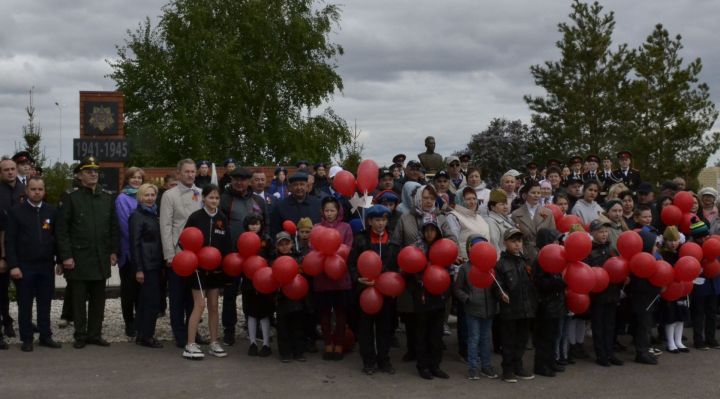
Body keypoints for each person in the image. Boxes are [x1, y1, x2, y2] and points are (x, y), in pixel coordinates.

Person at [56, 156, 118, 349]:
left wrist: (113, 250)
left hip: (100, 256)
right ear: (80, 175)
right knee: (79, 299)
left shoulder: (107, 197)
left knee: (99, 299)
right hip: (79, 257)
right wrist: (65, 256)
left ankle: (95, 334)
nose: (93, 174)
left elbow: (113, 227)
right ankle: (80, 335)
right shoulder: (71, 196)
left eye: (96, 171)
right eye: (88, 171)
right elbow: (62, 229)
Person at [4, 177, 62, 351]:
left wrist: (59, 260)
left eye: (40, 189)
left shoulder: (51, 211)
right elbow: (10, 241)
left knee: (45, 302)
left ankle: (45, 336)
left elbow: (57, 238)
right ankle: (27, 338)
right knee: (25, 304)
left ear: (44, 191)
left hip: (45, 265)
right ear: (27, 191)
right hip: (24, 266)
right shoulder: (16, 212)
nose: (37, 192)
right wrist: (13, 265)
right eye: (33, 189)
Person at [219, 167, 268, 345]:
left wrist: (262, 249)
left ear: (249, 181)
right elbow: (220, 228)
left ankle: (252, 327)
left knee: (252, 293)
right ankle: (229, 330)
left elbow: (266, 226)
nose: (239, 182)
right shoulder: (224, 199)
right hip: (232, 256)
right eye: (236, 179)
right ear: (231, 180)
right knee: (230, 295)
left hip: (254, 258)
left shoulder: (258, 201)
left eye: (243, 179)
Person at [348, 205, 399, 375]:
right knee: (366, 329)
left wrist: (392, 282)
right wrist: (358, 279)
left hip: (386, 293)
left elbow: (398, 266)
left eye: (384, 220)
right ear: (369, 221)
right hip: (365, 292)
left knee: (385, 328)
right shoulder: (361, 239)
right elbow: (351, 263)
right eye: (377, 220)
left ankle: (384, 360)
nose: (380, 224)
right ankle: (368, 361)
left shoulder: (393, 240)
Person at [182, 184, 232, 360]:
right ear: (203, 198)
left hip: (216, 268)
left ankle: (213, 342)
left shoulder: (222, 218)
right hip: (197, 268)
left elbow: (227, 243)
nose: (214, 201)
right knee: (200, 304)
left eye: (217, 198)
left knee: (213, 306)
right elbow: (184, 241)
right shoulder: (195, 217)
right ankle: (190, 344)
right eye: (211, 197)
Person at [160, 159, 203, 348]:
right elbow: (166, 226)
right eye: (187, 172)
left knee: (193, 297)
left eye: (193, 172)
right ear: (179, 173)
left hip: (197, 255)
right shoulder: (169, 195)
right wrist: (169, 255)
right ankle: (179, 333)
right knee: (177, 297)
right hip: (178, 255)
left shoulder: (201, 194)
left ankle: (193, 330)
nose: (190, 175)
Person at [407, 220, 450, 379]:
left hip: (439, 295)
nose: (429, 233)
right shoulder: (416, 248)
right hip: (422, 295)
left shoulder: (443, 247)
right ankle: (423, 366)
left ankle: (435, 365)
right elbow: (407, 269)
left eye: (433, 230)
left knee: (436, 334)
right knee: (422, 333)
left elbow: (450, 269)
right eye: (426, 230)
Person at [454, 235, 499, 380]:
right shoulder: (465, 269)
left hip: (489, 309)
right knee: (474, 338)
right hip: (472, 310)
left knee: (486, 339)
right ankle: (472, 367)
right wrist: (467, 299)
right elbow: (458, 289)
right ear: (470, 250)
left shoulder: (491, 268)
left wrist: (500, 296)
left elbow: (496, 287)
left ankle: (486, 366)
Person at [495, 228, 537, 383]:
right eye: (513, 241)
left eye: (519, 241)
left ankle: (518, 367)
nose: (517, 244)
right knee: (508, 341)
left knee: (522, 340)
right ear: (505, 243)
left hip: (526, 309)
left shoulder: (526, 261)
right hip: (510, 310)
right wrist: (501, 294)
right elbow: (496, 284)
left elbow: (532, 283)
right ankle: (508, 370)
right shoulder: (501, 264)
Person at [315, 196, 354, 360]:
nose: (329, 213)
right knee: (324, 314)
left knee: (340, 314)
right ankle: (328, 344)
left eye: (332, 210)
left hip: (340, 277)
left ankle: (339, 344)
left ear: (338, 211)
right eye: (326, 210)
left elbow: (348, 248)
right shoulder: (317, 228)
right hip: (322, 277)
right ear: (322, 212)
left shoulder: (346, 227)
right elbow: (313, 249)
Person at [129, 183, 164, 348]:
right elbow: (134, 243)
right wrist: (139, 269)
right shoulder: (137, 216)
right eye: (146, 195)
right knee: (151, 302)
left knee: (147, 301)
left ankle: (142, 333)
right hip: (146, 265)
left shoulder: (154, 214)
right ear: (140, 197)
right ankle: (147, 336)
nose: (150, 198)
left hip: (156, 263)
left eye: (152, 195)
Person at [585, 219, 623, 366]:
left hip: (612, 291)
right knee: (599, 324)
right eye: (601, 231)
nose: (604, 234)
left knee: (610, 324)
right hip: (598, 294)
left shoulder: (611, 249)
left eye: (606, 231)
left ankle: (610, 352)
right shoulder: (589, 250)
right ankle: (601, 354)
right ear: (593, 233)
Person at [115, 167, 145, 337]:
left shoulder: (145, 197)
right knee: (128, 290)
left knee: (142, 290)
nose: (136, 180)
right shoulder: (122, 199)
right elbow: (125, 226)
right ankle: (129, 322)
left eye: (139, 177)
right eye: (133, 177)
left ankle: (141, 320)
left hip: (145, 252)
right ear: (127, 179)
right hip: (129, 251)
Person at [532, 228, 566, 377]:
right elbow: (540, 283)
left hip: (555, 303)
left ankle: (551, 361)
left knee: (553, 335)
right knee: (544, 338)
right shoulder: (539, 260)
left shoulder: (556, 257)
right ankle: (541, 365)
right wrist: (559, 282)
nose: (558, 243)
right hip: (544, 305)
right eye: (554, 240)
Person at [239, 214, 274, 357]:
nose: (254, 226)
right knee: (251, 313)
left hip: (264, 280)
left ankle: (266, 343)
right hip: (248, 281)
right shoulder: (242, 239)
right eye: (251, 224)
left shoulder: (267, 239)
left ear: (261, 225)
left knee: (265, 313)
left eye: (257, 223)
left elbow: (272, 256)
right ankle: (252, 343)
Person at [627, 228, 661, 364]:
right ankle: (642, 352)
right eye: (654, 245)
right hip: (642, 298)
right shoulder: (642, 262)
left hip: (644, 298)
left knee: (643, 324)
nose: (656, 248)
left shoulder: (645, 259)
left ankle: (643, 350)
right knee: (643, 325)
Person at [0, 158, 25, 339]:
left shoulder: (25, 190)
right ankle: (6, 322)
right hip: (1, 247)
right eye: (6, 170)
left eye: (12, 169)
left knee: (24, 290)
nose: (10, 172)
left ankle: (25, 321)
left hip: (21, 248)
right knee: (2, 291)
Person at [687, 218, 720, 350]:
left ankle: (711, 339)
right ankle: (698, 340)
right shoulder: (692, 249)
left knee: (712, 313)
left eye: (706, 236)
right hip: (700, 285)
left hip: (714, 284)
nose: (704, 239)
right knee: (699, 313)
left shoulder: (714, 244)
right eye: (701, 237)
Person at [273, 231, 306, 362]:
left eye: (287, 243)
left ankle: (299, 352)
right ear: (277, 246)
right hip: (281, 298)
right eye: (281, 244)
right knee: (283, 326)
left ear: (292, 244)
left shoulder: (298, 258)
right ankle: (285, 353)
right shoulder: (273, 260)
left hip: (297, 297)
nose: (284, 247)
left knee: (298, 325)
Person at [658, 226, 690, 354]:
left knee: (680, 316)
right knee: (670, 316)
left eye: (675, 240)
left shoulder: (681, 253)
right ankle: (670, 342)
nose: (673, 243)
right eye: (670, 240)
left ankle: (679, 341)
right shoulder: (662, 255)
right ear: (665, 241)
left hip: (681, 288)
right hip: (669, 289)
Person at [511, 181, 556, 262]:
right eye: (533, 192)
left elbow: (553, 237)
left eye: (538, 193)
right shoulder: (516, 214)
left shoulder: (548, 213)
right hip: (524, 256)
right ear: (525, 195)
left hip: (545, 255)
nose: (536, 195)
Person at [270, 172, 322, 237]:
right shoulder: (280, 206)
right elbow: (275, 231)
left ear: (307, 187)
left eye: (302, 184)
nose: (299, 187)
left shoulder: (317, 204)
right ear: (290, 188)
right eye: (295, 185)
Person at [449, 187, 490, 261]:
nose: (472, 202)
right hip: (465, 263)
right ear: (460, 200)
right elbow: (452, 241)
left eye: (474, 198)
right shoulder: (454, 216)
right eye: (468, 199)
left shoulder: (479, 217)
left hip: (484, 260)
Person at [484, 189, 515, 256]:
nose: (505, 207)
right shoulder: (491, 221)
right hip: (504, 260)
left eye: (506, 204)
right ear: (492, 207)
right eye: (501, 204)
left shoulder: (507, 219)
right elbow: (494, 244)